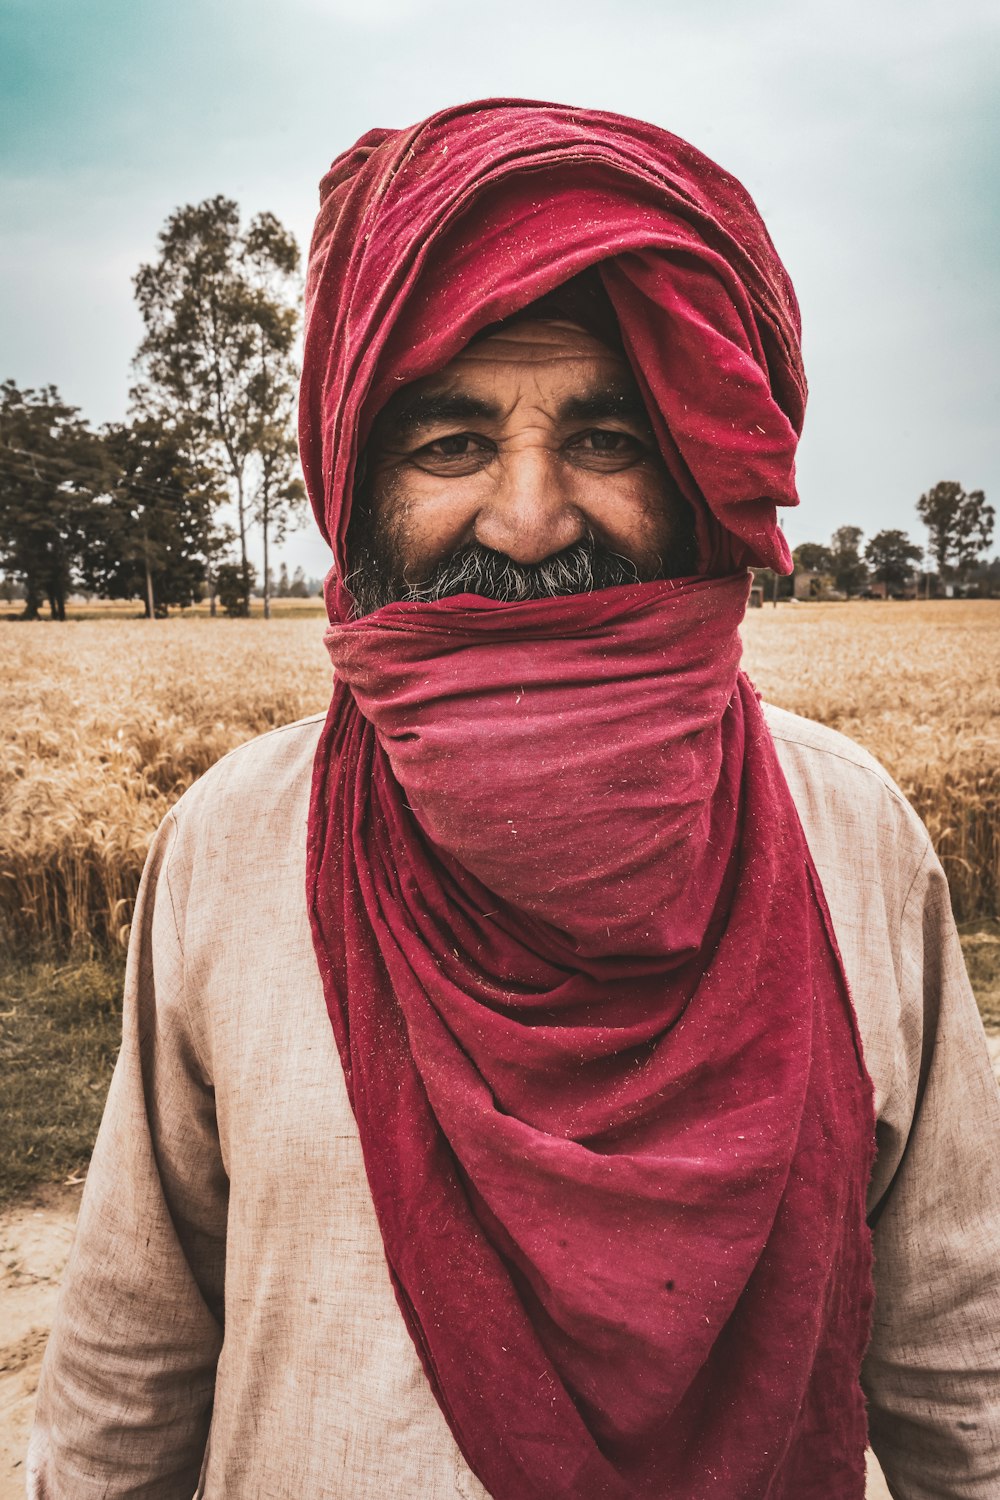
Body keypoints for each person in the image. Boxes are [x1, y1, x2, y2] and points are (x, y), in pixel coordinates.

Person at [27, 100, 1000, 1500]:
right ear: (359, 482)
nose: (529, 515)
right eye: (452, 444)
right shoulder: (233, 845)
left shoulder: (856, 838)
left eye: (605, 438)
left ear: (694, 477)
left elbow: (961, 1378)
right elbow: (127, 1379)